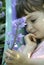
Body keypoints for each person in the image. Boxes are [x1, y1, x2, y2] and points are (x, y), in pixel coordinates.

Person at [4, 0, 44, 65]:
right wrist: (28, 48)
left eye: (33, 20)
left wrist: (27, 62)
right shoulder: (25, 47)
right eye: (25, 24)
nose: (28, 28)